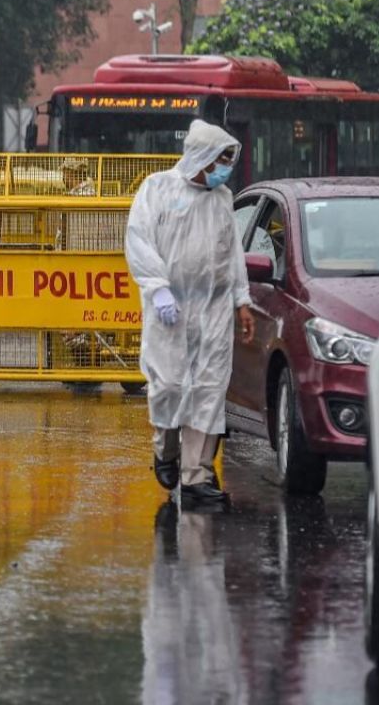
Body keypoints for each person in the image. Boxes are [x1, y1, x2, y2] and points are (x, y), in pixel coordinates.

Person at [125, 120, 255, 503]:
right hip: (171, 309)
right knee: (168, 385)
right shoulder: (158, 189)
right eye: (221, 160)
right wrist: (158, 288)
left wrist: (241, 301)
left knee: (209, 389)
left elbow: (233, 254)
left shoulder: (222, 198)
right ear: (202, 157)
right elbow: (138, 240)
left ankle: (197, 476)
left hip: (213, 309)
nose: (225, 168)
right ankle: (165, 449)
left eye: (228, 160)